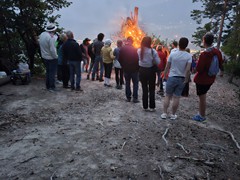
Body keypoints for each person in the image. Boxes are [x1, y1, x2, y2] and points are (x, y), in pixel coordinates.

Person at [193, 32, 224, 122]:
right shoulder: (217, 52)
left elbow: (199, 68)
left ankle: (201, 116)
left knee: (202, 98)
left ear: (204, 41)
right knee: (203, 96)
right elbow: (221, 63)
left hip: (202, 79)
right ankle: (201, 113)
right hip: (211, 78)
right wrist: (222, 72)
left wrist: (194, 69)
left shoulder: (204, 54)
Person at [161, 37, 192, 120]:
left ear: (179, 44)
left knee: (167, 96)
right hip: (181, 78)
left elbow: (167, 66)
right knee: (176, 97)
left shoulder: (173, 54)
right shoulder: (189, 56)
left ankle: (164, 113)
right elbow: (188, 69)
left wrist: (164, 75)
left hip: (171, 77)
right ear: (186, 45)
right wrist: (186, 79)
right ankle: (173, 115)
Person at [138, 36, 160, 111]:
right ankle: (152, 106)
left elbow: (138, 60)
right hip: (150, 71)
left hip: (141, 70)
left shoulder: (139, 50)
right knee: (151, 89)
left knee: (144, 88)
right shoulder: (153, 51)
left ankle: (145, 106)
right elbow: (157, 62)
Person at [119, 36, 139, 103]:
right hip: (134, 70)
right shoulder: (135, 49)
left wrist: (123, 66)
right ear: (132, 41)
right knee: (135, 84)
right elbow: (137, 60)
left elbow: (119, 59)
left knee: (127, 83)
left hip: (126, 69)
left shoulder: (122, 49)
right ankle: (135, 98)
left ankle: (128, 98)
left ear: (127, 41)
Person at [39, 23, 58, 92]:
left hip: (44, 56)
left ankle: (47, 86)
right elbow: (53, 50)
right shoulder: (51, 37)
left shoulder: (42, 34)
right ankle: (52, 87)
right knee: (52, 73)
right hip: (51, 58)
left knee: (48, 72)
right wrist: (56, 57)